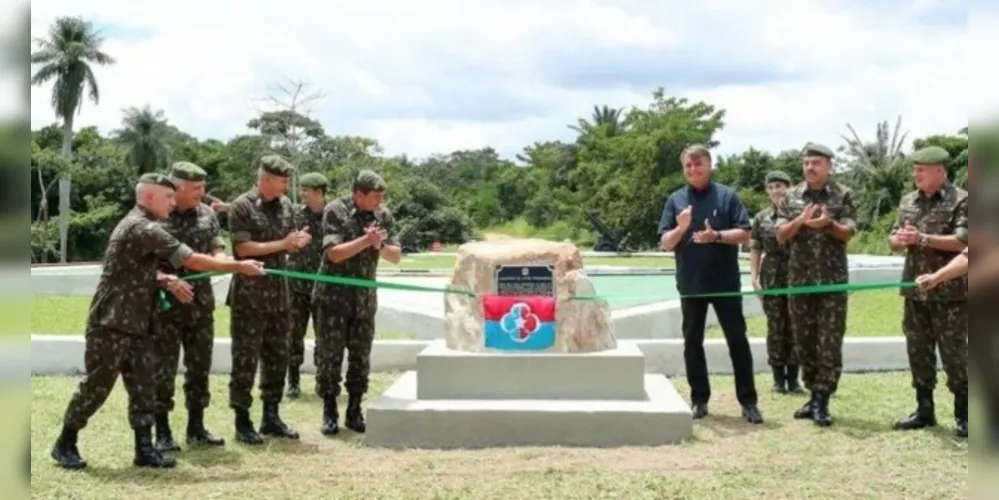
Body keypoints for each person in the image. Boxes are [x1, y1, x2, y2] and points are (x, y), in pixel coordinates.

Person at [50, 173, 264, 470]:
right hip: (112, 322)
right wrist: (239, 265)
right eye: (167, 197)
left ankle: (144, 449)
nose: (173, 202)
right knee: (97, 386)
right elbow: (190, 260)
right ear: (149, 198)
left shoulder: (147, 225)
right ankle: (65, 442)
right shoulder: (142, 227)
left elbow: (144, 271)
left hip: (140, 321)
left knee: (143, 387)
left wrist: (166, 281)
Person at [658, 144, 763, 424]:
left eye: (698, 164)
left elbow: (744, 232)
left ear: (709, 164)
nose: (693, 169)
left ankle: (749, 401)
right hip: (691, 284)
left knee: (737, 341)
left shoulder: (727, 196)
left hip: (725, 283)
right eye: (688, 165)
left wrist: (715, 236)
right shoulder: (676, 200)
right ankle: (699, 399)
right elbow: (665, 243)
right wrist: (682, 227)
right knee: (693, 342)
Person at [226, 155, 311, 444]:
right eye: (283, 181)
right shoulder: (242, 206)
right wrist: (283, 244)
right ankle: (242, 420)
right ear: (266, 179)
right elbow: (242, 248)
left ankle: (271, 417)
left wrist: (297, 242)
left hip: (279, 296)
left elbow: (288, 241)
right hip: (249, 299)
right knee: (245, 361)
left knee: (278, 359)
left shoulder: (286, 205)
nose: (287, 186)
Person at [887, 146, 968, 437]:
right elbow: (895, 238)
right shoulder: (908, 200)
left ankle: (965, 413)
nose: (915, 174)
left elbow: (964, 242)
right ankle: (924, 409)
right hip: (914, 290)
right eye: (915, 169)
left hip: (951, 292)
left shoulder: (963, 200)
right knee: (918, 351)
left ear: (940, 171)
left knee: (954, 354)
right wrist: (897, 240)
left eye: (921, 169)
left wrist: (922, 239)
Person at [313, 170, 401, 435]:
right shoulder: (336, 211)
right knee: (329, 357)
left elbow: (395, 256)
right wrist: (366, 240)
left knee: (360, 358)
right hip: (332, 300)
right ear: (358, 194)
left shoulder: (382, 215)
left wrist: (379, 246)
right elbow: (334, 254)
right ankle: (330, 411)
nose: (380, 201)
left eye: (382, 196)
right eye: (375, 196)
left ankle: (354, 410)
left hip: (363, 301)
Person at [775, 142, 857, 427]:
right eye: (807, 163)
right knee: (804, 341)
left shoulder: (843, 194)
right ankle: (812, 394)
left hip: (832, 284)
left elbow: (848, 233)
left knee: (829, 343)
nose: (810, 168)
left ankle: (823, 399)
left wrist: (828, 224)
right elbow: (781, 236)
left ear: (829, 167)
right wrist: (800, 220)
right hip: (800, 282)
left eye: (817, 163)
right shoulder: (790, 196)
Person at [151, 162, 229, 452]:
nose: (203, 193)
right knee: (163, 369)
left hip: (201, 305)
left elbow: (216, 245)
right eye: (196, 188)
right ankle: (162, 431)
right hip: (165, 308)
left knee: (200, 368)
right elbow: (138, 265)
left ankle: (197, 427)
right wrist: (166, 281)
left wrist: (221, 258)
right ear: (178, 188)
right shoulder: (156, 216)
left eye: (203, 187)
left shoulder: (207, 214)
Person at [749, 171, 803, 394]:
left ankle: (794, 378)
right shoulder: (762, 218)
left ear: (789, 187)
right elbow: (755, 248)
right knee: (775, 326)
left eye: (780, 186)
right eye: (771, 187)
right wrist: (753, 277)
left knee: (796, 325)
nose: (775, 191)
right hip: (771, 274)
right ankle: (778, 379)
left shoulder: (800, 213)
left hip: (796, 271)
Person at [286, 172, 330, 399]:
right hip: (295, 284)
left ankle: (323, 380)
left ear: (319, 192)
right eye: (301, 189)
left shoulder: (332, 216)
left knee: (324, 335)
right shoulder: (294, 214)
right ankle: (292, 380)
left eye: (306, 190)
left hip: (323, 286)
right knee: (294, 333)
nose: (301, 193)